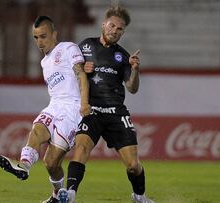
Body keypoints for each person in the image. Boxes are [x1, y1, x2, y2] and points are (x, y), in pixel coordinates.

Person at [58, 6, 154, 203]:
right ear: (103, 24)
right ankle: (70, 194)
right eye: (112, 26)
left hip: (116, 113)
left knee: (133, 165)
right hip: (91, 109)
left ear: (123, 32)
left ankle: (139, 196)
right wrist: (82, 68)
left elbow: (132, 88)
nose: (115, 31)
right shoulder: (85, 46)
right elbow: (68, 72)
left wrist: (135, 69)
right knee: (81, 148)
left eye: (120, 29)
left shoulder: (124, 56)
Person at [0, 16, 91, 203]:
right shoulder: (44, 63)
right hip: (54, 105)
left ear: (54, 34)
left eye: (43, 36)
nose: (39, 42)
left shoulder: (68, 48)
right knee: (38, 128)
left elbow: (81, 74)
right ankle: (24, 165)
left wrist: (84, 103)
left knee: (51, 162)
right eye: (36, 37)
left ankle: (57, 195)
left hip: (72, 109)